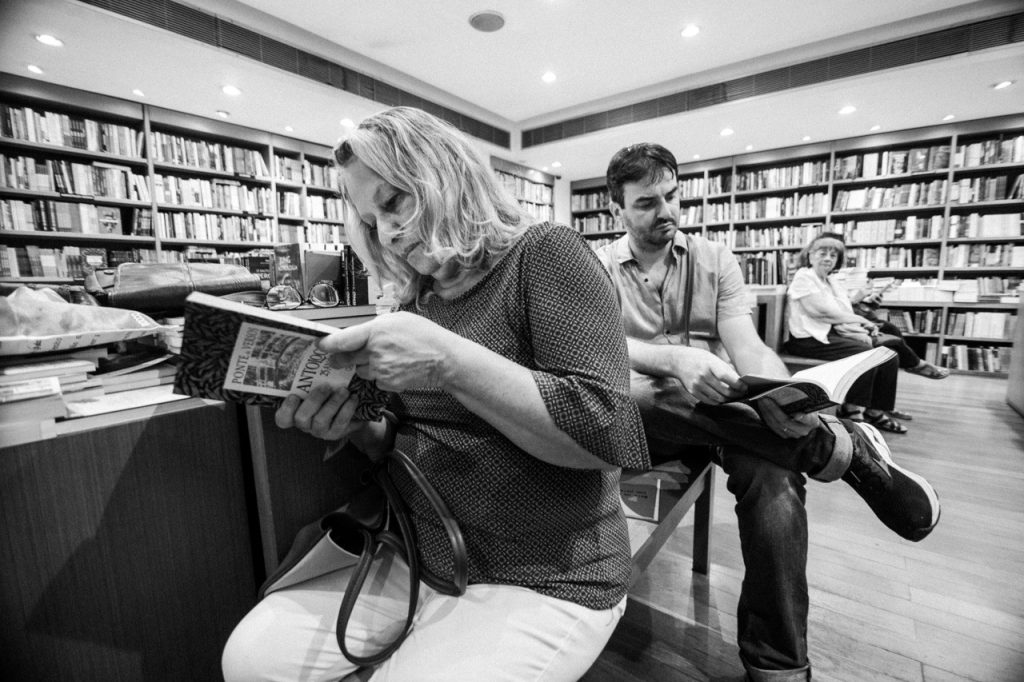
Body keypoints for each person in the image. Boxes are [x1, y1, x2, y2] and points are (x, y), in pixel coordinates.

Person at [221, 107, 649, 682]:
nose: (388, 233)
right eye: (370, 221)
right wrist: (354, 424)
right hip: (417, 549)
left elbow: (604, 437)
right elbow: (397, 441)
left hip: (546, 569)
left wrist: (447, 361)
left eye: (394, 201)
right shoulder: (415, 300)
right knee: (249, 661)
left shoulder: (545, 253)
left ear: (446, 174)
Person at [596, 143, 941, 682]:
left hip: (729, 416)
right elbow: (601, 348)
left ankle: (778, 666)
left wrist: (787, 396)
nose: (665, 212)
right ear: (616, 207)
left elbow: (748, 347)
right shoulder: (595, 267)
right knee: (645, 392)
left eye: (673, 196)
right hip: (650, 424)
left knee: (774, 476)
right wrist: (675, 360)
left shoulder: (716, 259)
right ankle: (845, 449)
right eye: (646, 203)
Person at [784, 233, 949, 433]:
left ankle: (876, 410)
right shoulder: (804, 277)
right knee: (868, 354)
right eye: (822, 253)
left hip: (829, 333)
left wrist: (862, 316)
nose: (828, 259)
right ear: (810, 255)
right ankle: (852, 409)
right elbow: (821, 312)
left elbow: (844, 309)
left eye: (833, 255)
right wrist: (861, 321)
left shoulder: (830, 281)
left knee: (889, 354)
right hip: (809, 339)